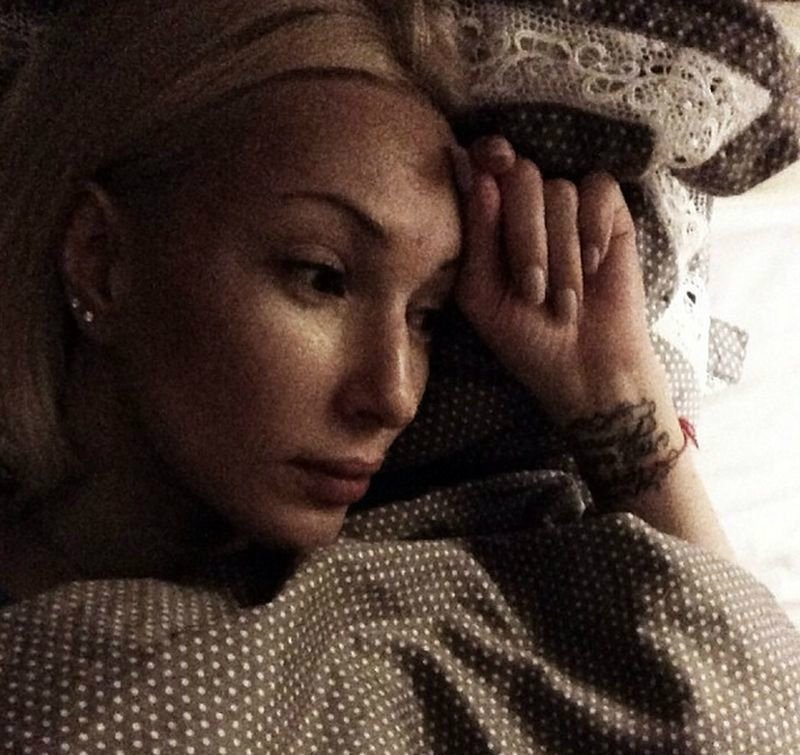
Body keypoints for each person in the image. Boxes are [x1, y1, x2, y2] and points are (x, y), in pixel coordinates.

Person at [3, 2, 800, 753]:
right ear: (100, 260)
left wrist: (618, 393)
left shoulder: (448, 575)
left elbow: (757, 712)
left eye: (427, 314)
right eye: (321, 277)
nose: (394, 395)